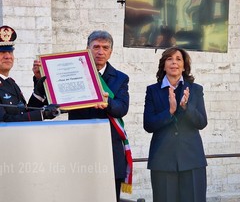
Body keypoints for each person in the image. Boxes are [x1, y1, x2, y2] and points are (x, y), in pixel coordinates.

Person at [31, 30, 132, 202]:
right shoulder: (71, 72)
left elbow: (122, 109)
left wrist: (108, 104)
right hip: (80, 144)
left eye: (105, 48)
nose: (100, 52)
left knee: (110, 195)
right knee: (80, 194)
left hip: (109, 146)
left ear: (111, 52)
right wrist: (41, 80)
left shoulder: (121, 78)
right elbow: (48, 106)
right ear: (87, 49)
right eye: (96, 47)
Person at [143, 47, 208, 202]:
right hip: (162, 160)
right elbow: (148, 125)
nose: (174, 62)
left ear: (184, 66)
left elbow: (202, 122)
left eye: (179, 59)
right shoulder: (152, 91)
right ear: (163, 65)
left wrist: (186, 108)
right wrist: (170, 112)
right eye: (169, 59)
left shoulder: (195, 89)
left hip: (192, 159)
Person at [0, 25, 59, 122]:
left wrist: (39, 84)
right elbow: (4, 120)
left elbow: (26, 112)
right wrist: (42, 114)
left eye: (10, 52)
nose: (8, 56)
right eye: (2, 53)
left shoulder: (10, 83)